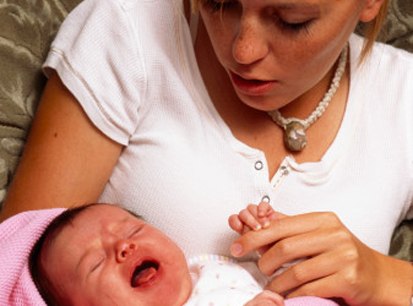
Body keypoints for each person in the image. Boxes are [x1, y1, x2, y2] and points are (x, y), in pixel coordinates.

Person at [1, 0, 412, 304]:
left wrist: (379, 276)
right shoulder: (129, 32)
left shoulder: (402, 96)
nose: (242, 52)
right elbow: (13, 274)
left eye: (291, 21)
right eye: (219, 3)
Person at [0, 203, 338, 306]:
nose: (123, 247)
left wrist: (276, 249)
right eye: (96, 263)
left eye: (133, 230)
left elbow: (300, 286)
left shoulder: (211, 271)